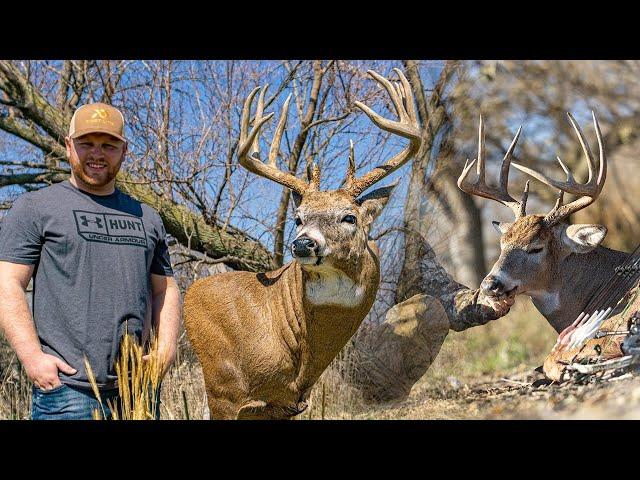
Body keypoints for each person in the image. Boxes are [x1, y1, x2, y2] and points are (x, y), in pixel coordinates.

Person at [0, 102, 182, 420]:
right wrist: (32, 358)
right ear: (69, 146)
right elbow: (7, 283)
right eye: (87, 144)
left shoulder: (147, 217)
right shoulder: (36, 207)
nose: (97, 154)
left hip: (137, 390)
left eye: (108, 145)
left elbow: (165, 289)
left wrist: (165, 350)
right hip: (67, 392)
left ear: (124, 151)